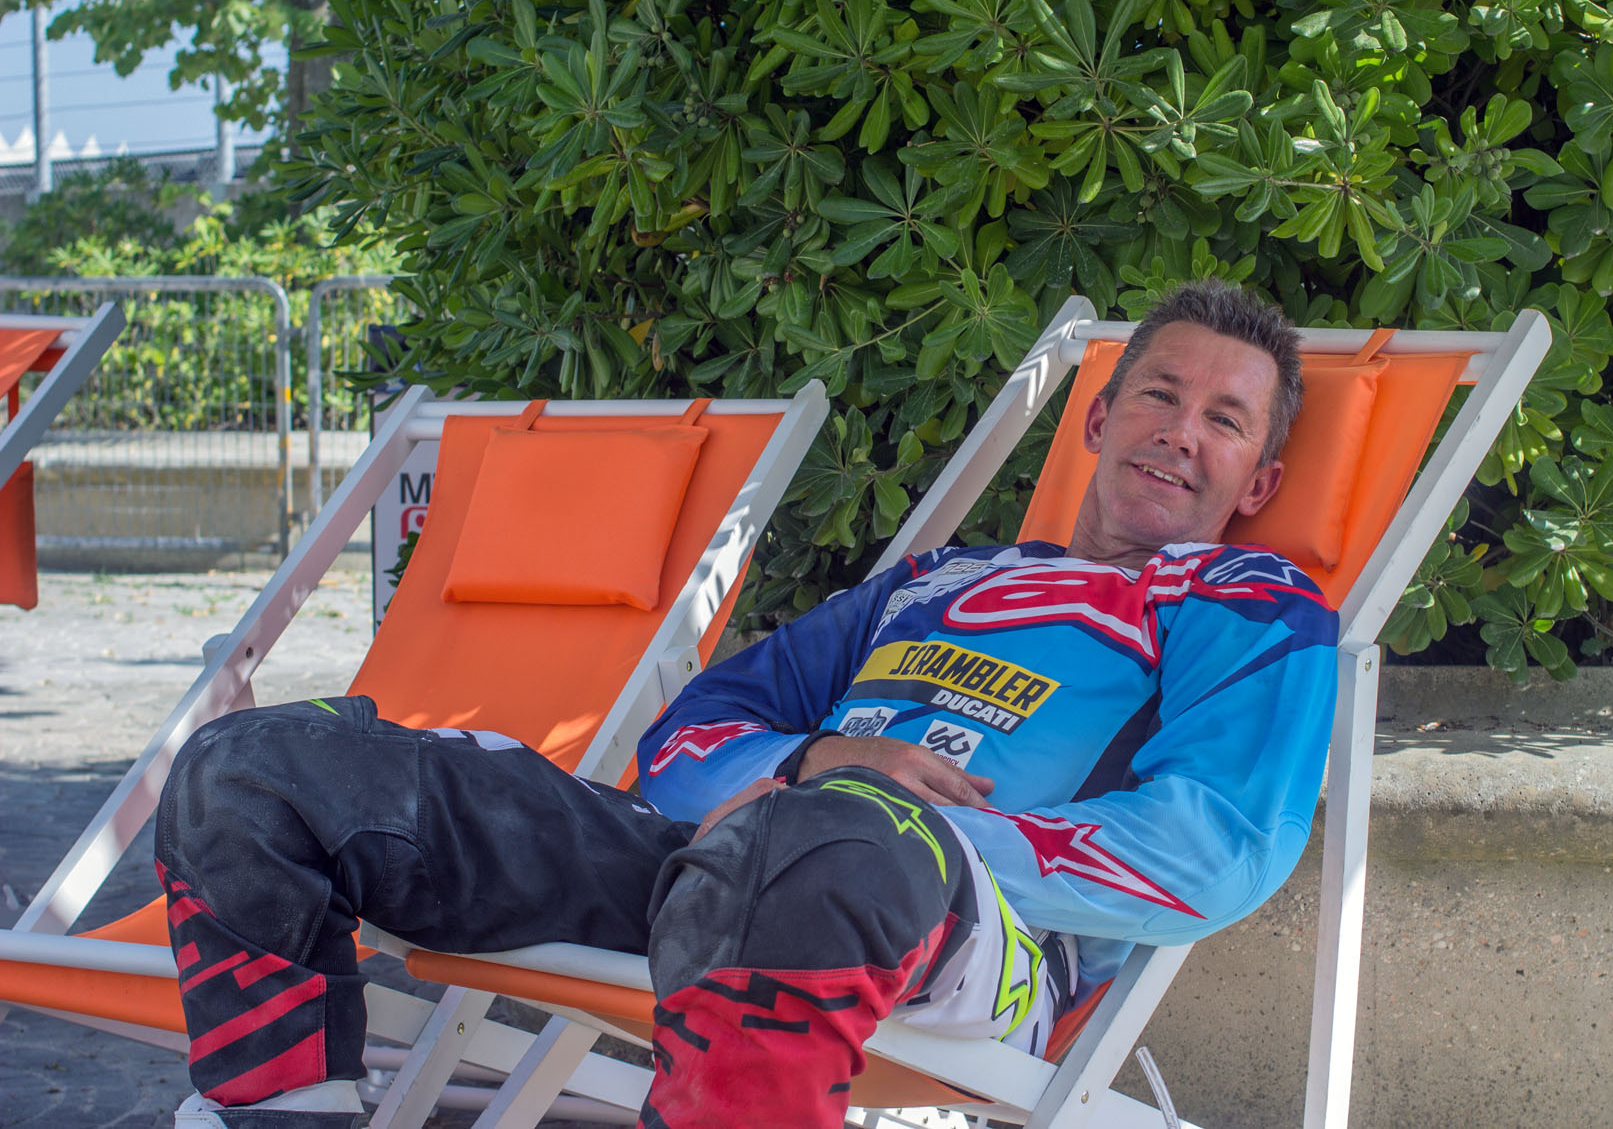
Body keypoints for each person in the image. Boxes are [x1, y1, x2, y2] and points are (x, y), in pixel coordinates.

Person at [159, 279, 1340, 1129]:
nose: (1178, 433)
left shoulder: (1246, 601)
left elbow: (1214, 848)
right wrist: (809, 768)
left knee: (818, 848)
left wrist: (901, 825)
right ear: (1097, 417)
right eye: (1157, 395)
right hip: (715, 862)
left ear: (1260, 481)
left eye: (1223, 420)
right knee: (256, 768)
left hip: (975, 941)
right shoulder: (936, 583)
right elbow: (683, 740)